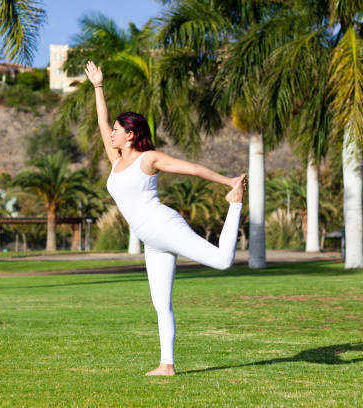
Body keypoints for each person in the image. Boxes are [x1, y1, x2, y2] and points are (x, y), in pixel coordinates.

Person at [85, 61, 246, 376]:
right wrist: (98, 87)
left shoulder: (149, 159)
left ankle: (235, 204)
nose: (112, 134)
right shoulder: (115, 159)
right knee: (161, 303)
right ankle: (166, 365)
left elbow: (192, 168)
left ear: (131, 135)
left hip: (164, 226)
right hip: (151, 240)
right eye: (114, 131)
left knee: (223, 261)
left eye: (118, 131)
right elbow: (102, 121)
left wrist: (228, 183)